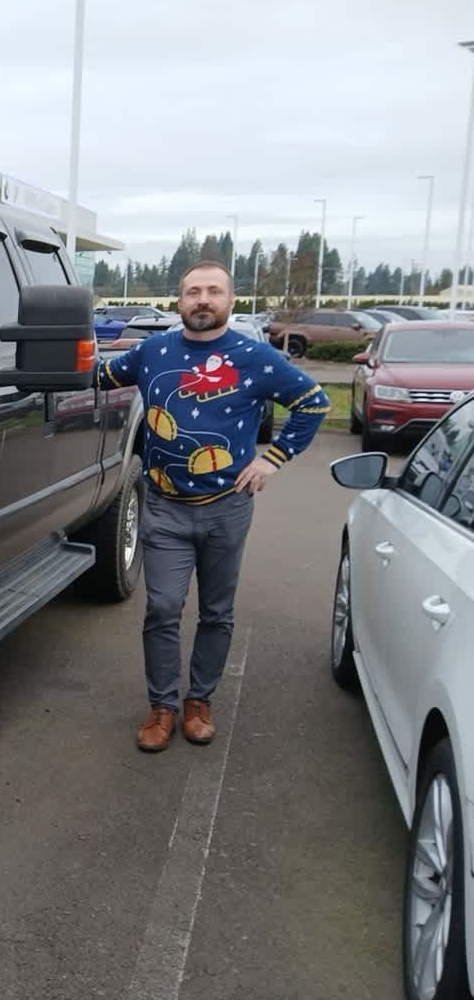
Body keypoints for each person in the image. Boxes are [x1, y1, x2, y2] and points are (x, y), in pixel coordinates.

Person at [94, 261, 330, 752]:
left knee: (217, 611)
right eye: (193, 291)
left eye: (213, 291)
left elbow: (313, 402)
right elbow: (99, 375)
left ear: (230, 300)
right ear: (179, 301)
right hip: (164, 507)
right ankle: (163, 706)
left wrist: (273, 460)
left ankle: (199, 701)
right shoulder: (153, 352)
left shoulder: (255, 357)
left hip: (227, 508)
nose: (203, 299)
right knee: (162, 607)